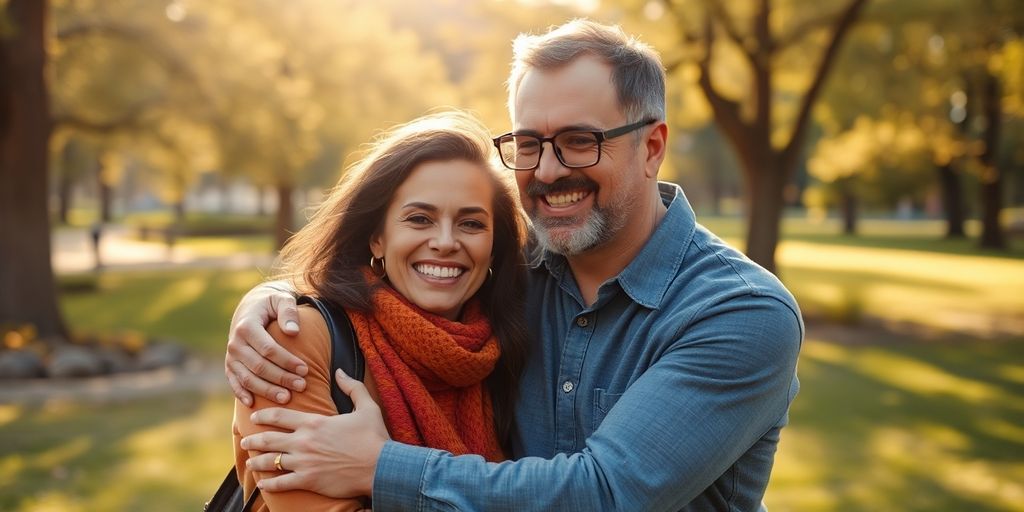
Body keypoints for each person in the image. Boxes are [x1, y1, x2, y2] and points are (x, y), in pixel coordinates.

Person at [230, 19, 802, 511]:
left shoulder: (742, 314)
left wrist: (380, 466)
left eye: (579, 140)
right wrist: (270, 302)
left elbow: (605, 493)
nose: (548, 171)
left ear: (651, 147)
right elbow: (390, 268)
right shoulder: (512, 269)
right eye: (529, 144)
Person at [231, 111, 531, 511]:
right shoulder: (293, 338)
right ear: (377, 238)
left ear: (494, 247)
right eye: (419, 219)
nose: (445, 242)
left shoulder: (503, 351)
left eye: (471, 224)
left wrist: (380, 465)